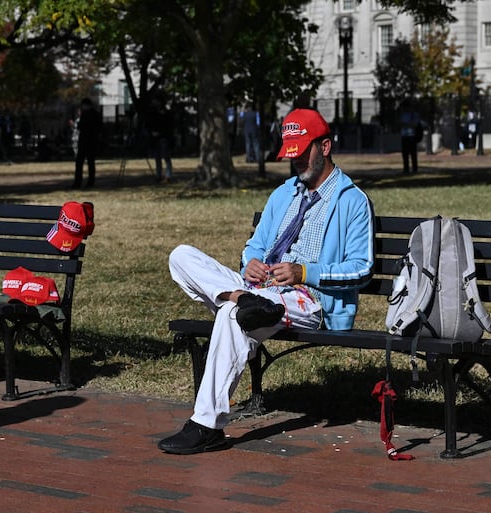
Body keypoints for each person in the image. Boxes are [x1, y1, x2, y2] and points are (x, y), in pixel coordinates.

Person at [158, 109, 375, 455]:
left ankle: (206, 426)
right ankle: (243, 298)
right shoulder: (283, 194)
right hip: (260, 289)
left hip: (310, 299)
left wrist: (305, 272)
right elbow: (253, 248)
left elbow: (362, 269)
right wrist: (250, 265)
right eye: (291, 154)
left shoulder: (352, 201)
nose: (296, 161)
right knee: (180, 255)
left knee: (231, 315)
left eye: (303, 153)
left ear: (326, 146)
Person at [72, 97, 100, 188]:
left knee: (79, 163)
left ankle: (78, 182)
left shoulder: (84, 114)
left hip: (84, 141)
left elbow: (80, 127)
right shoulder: (96, 114)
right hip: (92, 141)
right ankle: (91, 182)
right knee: (91, 163)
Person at [145, 96, 174, 183]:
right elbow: (149, 124)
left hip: (163, 137)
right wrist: (151, 132)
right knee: (157, 157)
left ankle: (168, 176)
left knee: (166, 157)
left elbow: (168, 126)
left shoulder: (165, 113)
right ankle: (159, 175)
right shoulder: (152, 113)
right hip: (155, 138)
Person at [399, 99, 421, 174]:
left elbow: (415, 124)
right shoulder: (403, 115)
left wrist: (407, 124)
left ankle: (415, 169)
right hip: (404, 136)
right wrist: (408, 124)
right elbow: (400, 124)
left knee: (413, 153)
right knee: (405, 153)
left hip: (412, 136)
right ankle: (406, 168)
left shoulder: (414, 115)